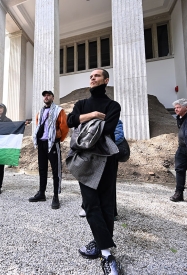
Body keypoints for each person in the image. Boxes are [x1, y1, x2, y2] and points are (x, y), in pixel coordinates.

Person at [67, 69, 121, 274]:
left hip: (107, 158)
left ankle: (105, 252)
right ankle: (102, 246)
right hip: (85, 158)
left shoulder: (113, 105)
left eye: (97, 76)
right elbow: (70, 121)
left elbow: (108, 129)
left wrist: (84, 121)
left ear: (106, 80)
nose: (92, 78)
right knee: (90, 204)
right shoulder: (82, 104)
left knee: (107, 203)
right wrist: (94, 116)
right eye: (91, 76)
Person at [28, 91, 69, 209]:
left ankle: (56, 196)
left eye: (48, 95)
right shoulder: (40, 112)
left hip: (52, 143)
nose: (46, 97)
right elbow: (37, 124)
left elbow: (64, 126)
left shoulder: (58, 110)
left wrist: (58, 138)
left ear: (53, 97)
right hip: (41, 143)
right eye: (44, 95)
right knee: (42, 169)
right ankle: (41, 193)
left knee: (56, 170)